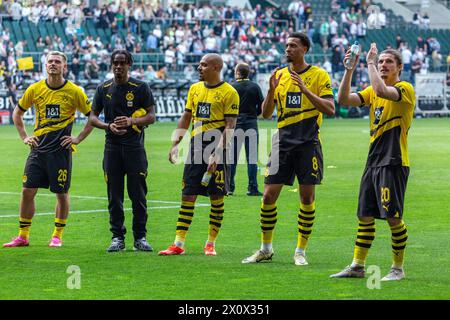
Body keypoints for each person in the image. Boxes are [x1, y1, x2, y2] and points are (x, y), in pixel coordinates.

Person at [242, 32, 335, 266]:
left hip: (308, 143)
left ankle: (300, 251)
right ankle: (265, 249)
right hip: (282, 142)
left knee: (307, 197)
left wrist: (305, 90)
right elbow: (265, 113)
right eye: (286, 46)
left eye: (293, 45)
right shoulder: (279, 75)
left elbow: (330, 109)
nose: (288, 49)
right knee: (268, 196)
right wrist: (272, 90)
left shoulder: (319, 75)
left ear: (305, 48)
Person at [331, 43, 415, 281]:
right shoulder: (372, 90)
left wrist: (369, 63)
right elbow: (344, 99)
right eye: (380, 62)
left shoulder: (404, 88)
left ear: (399, 67)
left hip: (394, 161)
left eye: (388, 62)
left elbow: (381, 91)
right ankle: (358, 266)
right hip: (373, 161)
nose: (383, 65)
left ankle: (397, 268)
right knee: (365, 215)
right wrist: (349, 69)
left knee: (393, 217)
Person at [3, 51, 93, 248]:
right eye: (50, 61)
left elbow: (92, 117)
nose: (53, 64)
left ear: (64, 67)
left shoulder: (75, 91)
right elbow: (17, 114)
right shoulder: (35, 89)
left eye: (57, 62)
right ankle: (23, 236)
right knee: (27, 191)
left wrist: (77, 138)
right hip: (37, 151)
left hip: (60, 152)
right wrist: (25, 136)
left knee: (61, 194)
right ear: (45, 65)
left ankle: (57, 235)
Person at [158, 53, 239, 256]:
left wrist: (217, 154)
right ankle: (178, 243)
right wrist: (176, 143)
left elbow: (230, 126)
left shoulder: (229, 92)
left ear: (216, 68)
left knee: (216, 196)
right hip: (196, 147)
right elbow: (186, 117)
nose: (199, 68)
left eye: (203, 65)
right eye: (199, 65)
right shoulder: (194, 89)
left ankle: (210, 243)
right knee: (188, 195)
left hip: (218, 147)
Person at [89, 50, 156, 252]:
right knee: (114, 195)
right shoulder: (104, 88)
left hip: (135, 148)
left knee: (138, 195)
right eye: (115, 63)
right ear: (111, 65)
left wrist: (131, 121)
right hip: (112, 148)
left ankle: (140, 237)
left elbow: (152, 116)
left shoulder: (141, 88)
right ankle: (117, 237)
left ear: (129, 64)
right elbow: (92, 117)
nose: (118, 66)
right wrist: (108, 126)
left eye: (122, 63)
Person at [228, 63, 264, 196]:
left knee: (233, 158)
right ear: (248, 73)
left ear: (237, 72)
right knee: (252, 158)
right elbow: (262, 106)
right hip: (251, 123)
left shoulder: (231, 87)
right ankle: (252, 187)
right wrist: (254, 114)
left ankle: (229, 187)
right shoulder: (255, 86)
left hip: (235, 123)